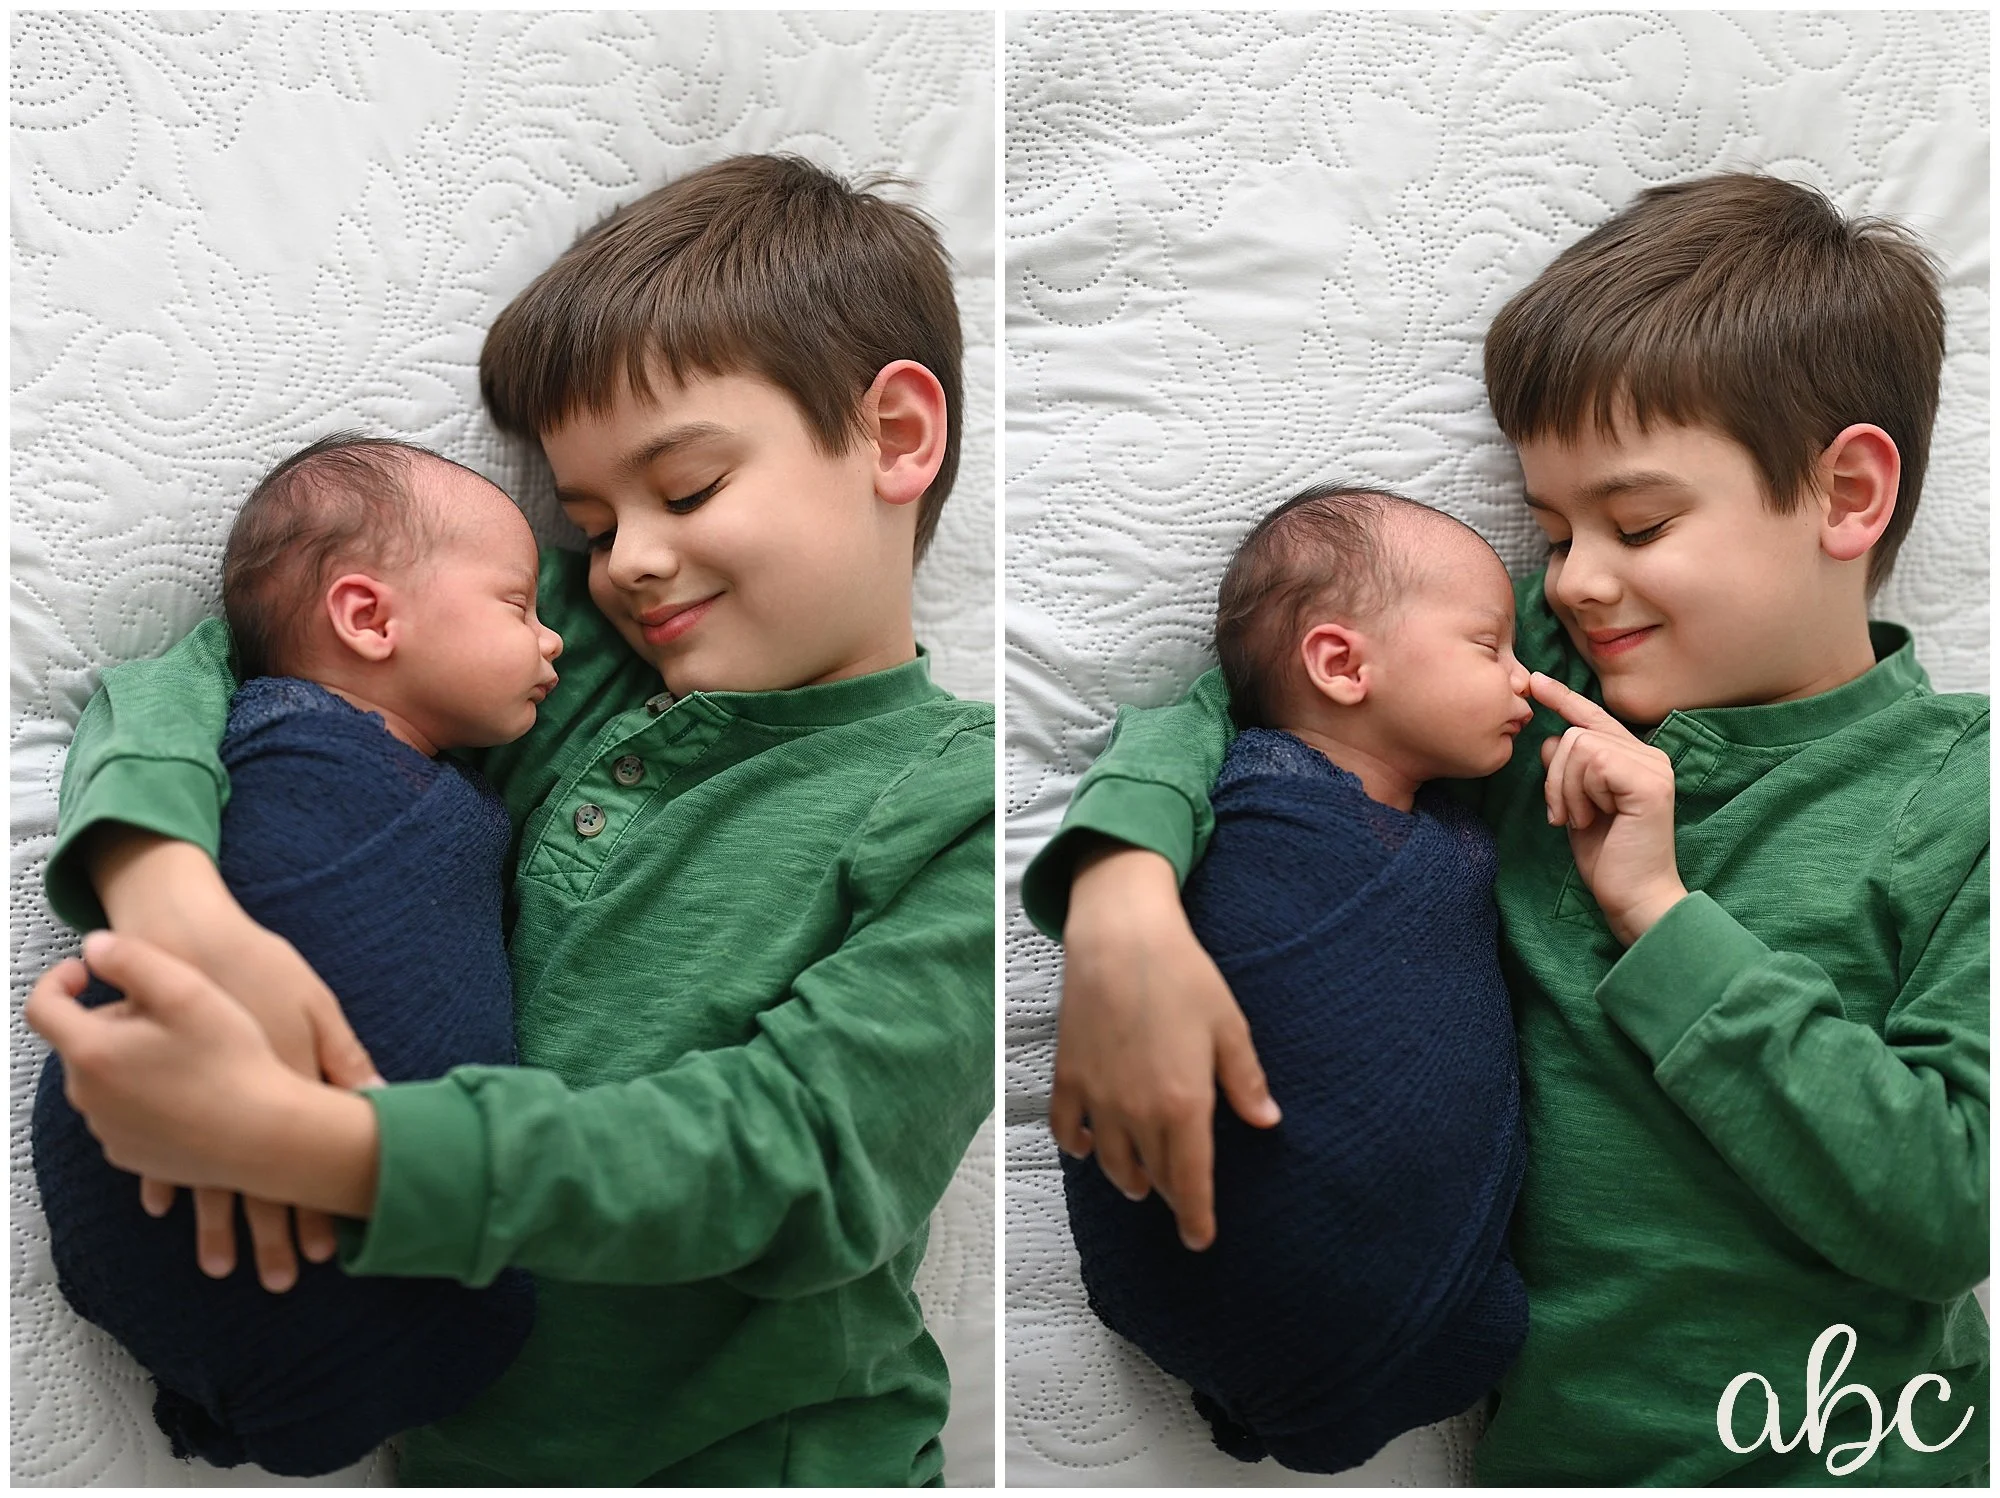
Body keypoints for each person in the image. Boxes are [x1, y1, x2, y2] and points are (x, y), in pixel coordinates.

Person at [29, 153, 994, 1486]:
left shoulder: (961, 799)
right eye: (590, 523)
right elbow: (236, 655)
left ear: (895, 437)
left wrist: (316, 1145)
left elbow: (794, 1158)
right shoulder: (583, 661)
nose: (629, 562)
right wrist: (172, 894)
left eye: (689, 488)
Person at [1021, 173, 1987, 1484]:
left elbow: (1945, 1210)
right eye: (1551, 526)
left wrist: (1662, 917)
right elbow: (1258, 691)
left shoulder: (1956, 794)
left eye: (1638, 522)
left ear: (1847, 493)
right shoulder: (1528, 678)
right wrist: (1124, 891)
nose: (1577, 576)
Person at [33, 435, 555, 1475]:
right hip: (141, 1120)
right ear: (367, 617)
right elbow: (157, 689)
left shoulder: (457, 775)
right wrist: (168, 885)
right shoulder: (282, 738)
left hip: (357, 1292)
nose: (553, 643)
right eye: (518, 606)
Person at [1063, 484, 1531, 1473]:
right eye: (1490, 648)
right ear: (1339, 663)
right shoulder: (1254, 802)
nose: (1523, 681)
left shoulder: (1457, 821)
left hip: (1425, 1289)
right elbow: (1172, 733)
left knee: (1484, 1323)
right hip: (1218, 1235)